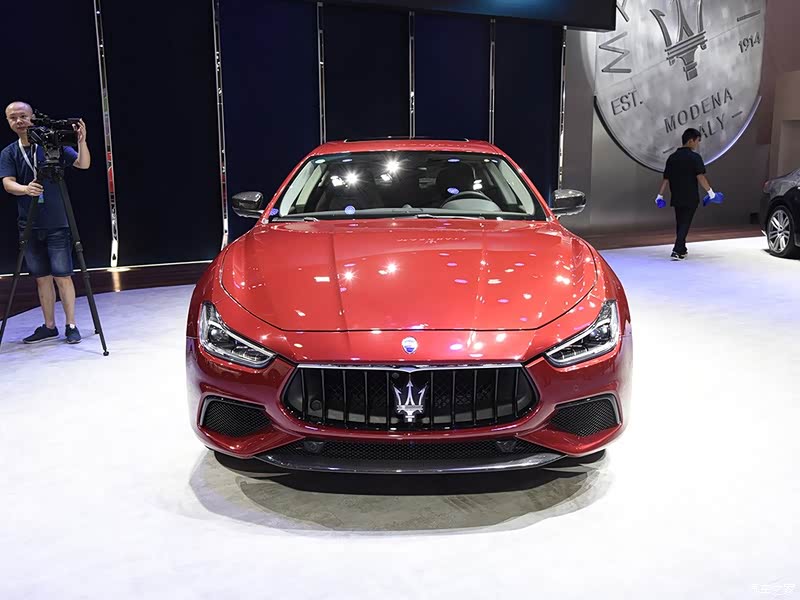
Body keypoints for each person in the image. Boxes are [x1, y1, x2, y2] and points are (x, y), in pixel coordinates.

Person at [0, 101, 90, 343]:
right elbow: (7, 183)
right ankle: (49, 326)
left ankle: (71, 324)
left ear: (33, 117)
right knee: (41, 278)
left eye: (23, 116)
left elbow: (82, 164)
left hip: (57, 222)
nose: (19, 121)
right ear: (8, 121)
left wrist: (81, 142)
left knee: (63, 275)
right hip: (28, 224)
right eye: (12, 118)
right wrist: (25, 189)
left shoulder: (52, 145)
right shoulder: (9, 152)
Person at [655, 128, 719, 261]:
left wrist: (660, 195)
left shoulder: (672, 157)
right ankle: (677, 250)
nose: (698, 144)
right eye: (697, 141)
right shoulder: (695, 157)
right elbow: (700, 177)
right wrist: (711, 192)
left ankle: (682, 249)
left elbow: (666, 178)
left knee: (681, 222)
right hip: (690, 196)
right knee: (685, 223)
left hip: (676, 195)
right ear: (691, 141)